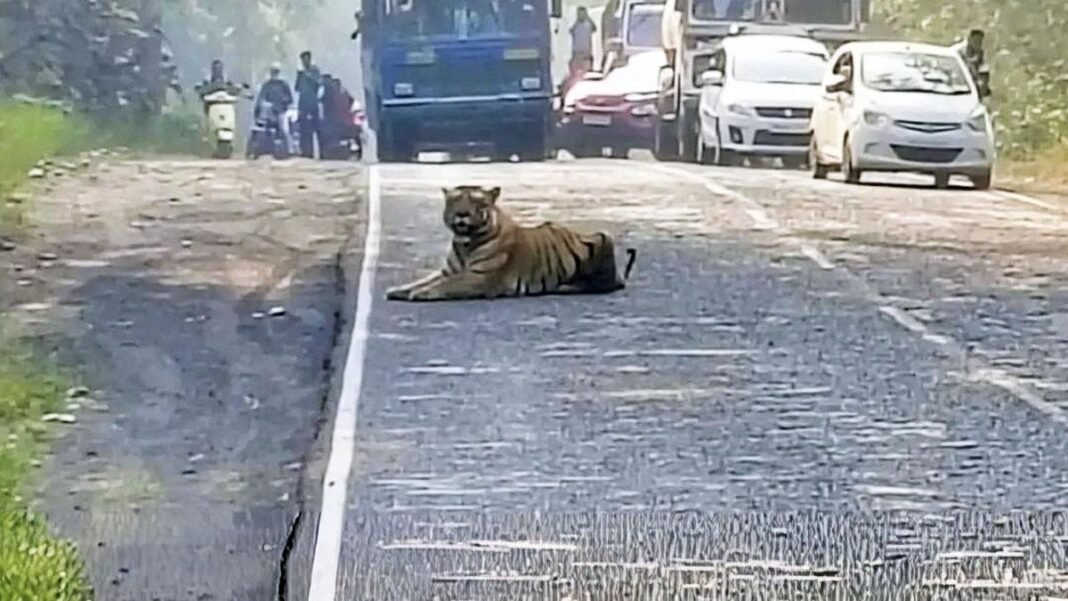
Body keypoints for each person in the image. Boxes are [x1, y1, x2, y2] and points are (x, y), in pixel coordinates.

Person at [295, 51, 322, 158]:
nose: (304, 61)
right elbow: (297, 88)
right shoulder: (300, 73)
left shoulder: (314, 70)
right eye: (303, 60)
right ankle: (306, 151)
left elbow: (318, 83)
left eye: (306, 59)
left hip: (313, 102)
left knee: (317, 127)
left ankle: (321, 151)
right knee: (304, 128)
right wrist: (299, 76)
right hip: (303, 103)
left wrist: (307, 76)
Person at [569, 7, 597, 72]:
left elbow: (594, 28)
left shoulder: (588, 24)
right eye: (579, 13)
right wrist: (577, 21)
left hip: (587, 49)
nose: (581, 15)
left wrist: (588, 18)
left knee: (587, 66)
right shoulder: (576, 25)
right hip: (577, 50)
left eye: (583, 13)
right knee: (576, 67)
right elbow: (571, 31)